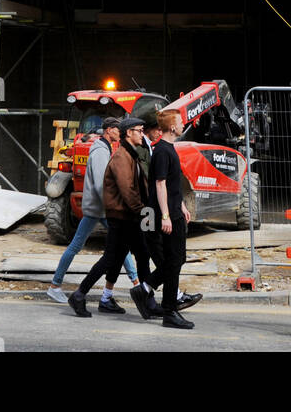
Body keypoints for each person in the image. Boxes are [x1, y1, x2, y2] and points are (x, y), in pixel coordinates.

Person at [68, 117, 155, 319]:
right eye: (139, 130)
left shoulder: (129, 154)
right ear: (128, 133)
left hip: (127, 216)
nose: (142, 134)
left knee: (135, 256)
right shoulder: (122, 157)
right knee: (115, 258)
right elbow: (128, 191)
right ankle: (80, 295)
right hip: (123, 217)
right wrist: (144, 213)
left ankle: (139, 300)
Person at [47, 117, 139, 306]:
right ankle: (55, 286)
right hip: (100, 208)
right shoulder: (99, 151)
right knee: (114, 245)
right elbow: (100, 184)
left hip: (99, 208)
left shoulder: (105, 148)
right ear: (108, 131)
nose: (120, 132)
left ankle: (136, 282)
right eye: (117, 129)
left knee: (114, 245)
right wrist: (112, 206)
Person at [145, 108, 201, 329]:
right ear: (171, 127)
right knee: (174, 261)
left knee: (176, 260)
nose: (182, 124)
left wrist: (181, 205)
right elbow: (160, 184)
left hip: (176, 212)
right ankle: (169, 310)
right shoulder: (161, 151)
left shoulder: (169, 149)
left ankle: (147, 289)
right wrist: (166, 216)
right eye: (179, 121)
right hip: (168, 216)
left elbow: (172, 184)